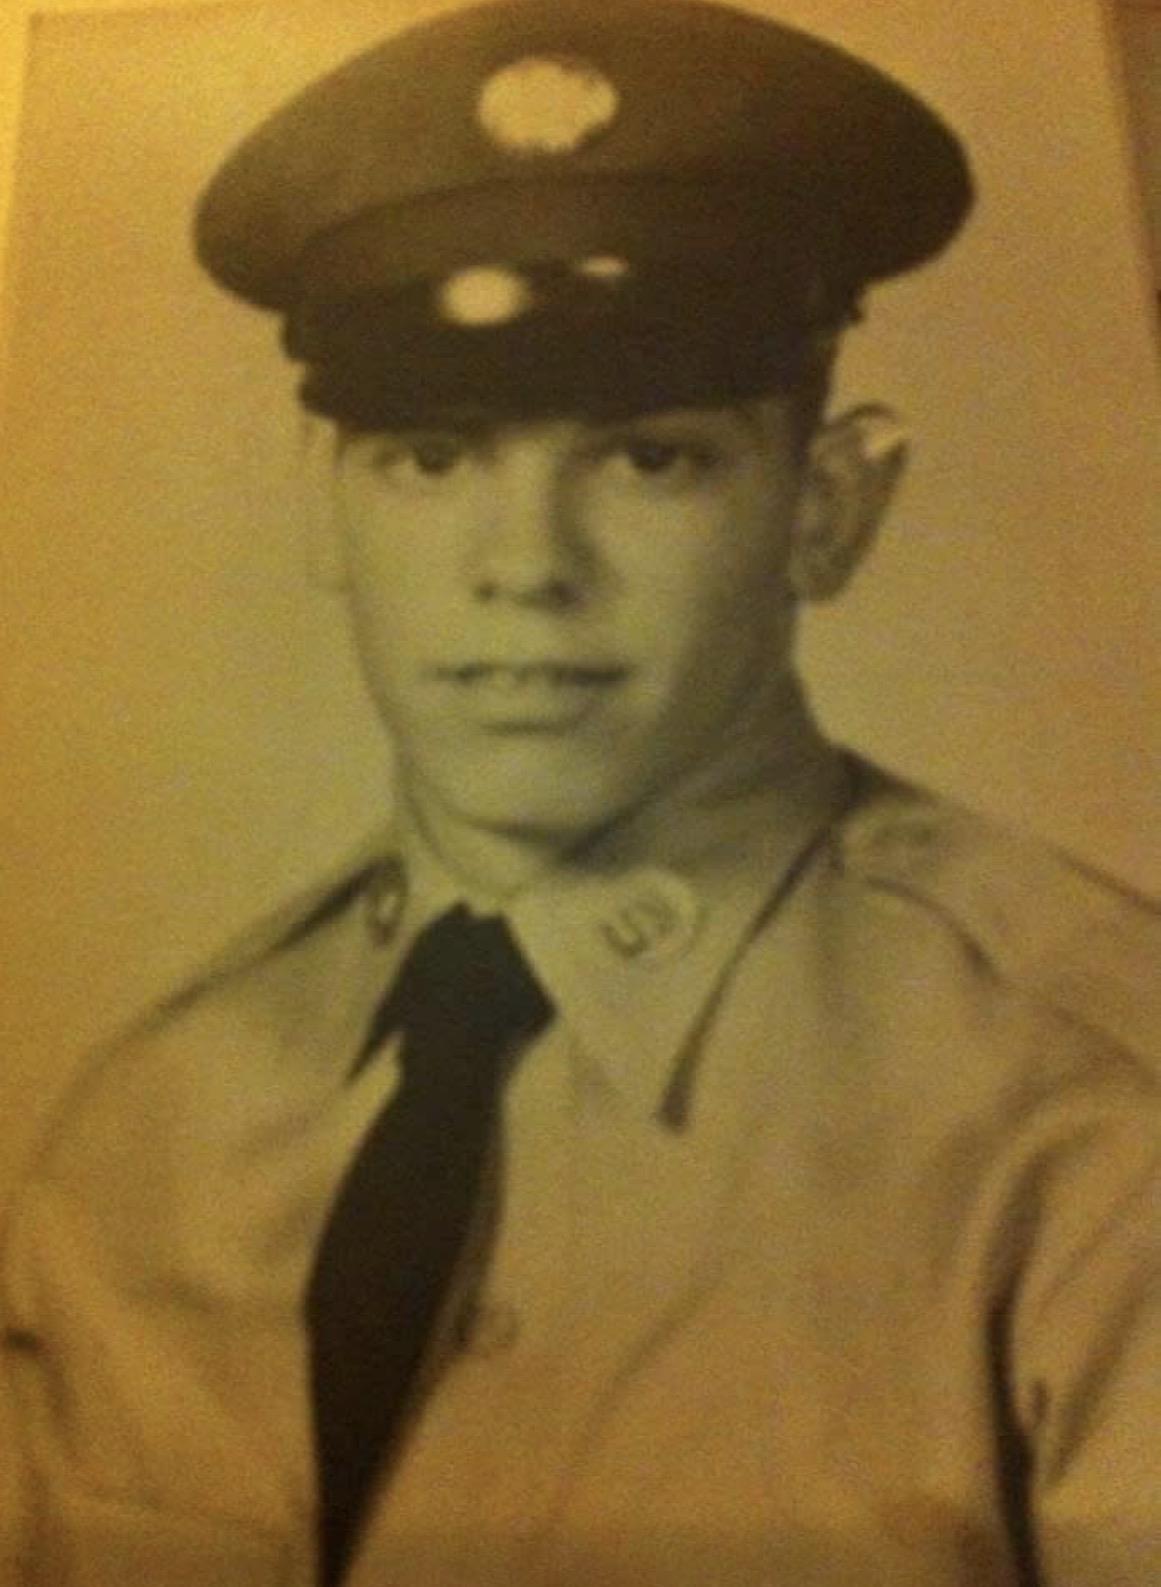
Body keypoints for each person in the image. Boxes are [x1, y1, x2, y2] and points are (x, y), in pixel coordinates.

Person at [1, 1, 1157, 1584]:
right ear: (321, 510)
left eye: (648, 459)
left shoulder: (1088, 1134)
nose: (524, 570)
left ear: (826, 512)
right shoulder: (145, 1139)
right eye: (430, 458)